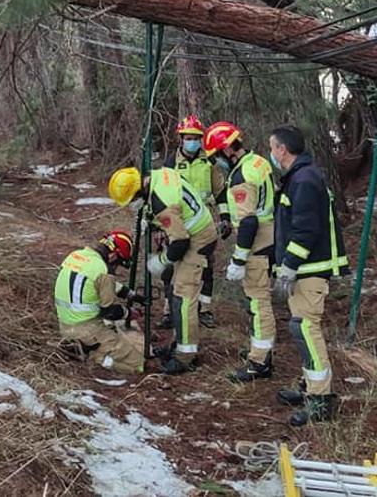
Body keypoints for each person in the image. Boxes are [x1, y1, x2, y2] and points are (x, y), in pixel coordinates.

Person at [268, 125, 348, 426]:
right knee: (302, 330)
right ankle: (309, 386)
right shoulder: (299, 177)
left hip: (309, 271)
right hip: (304, 271)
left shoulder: (303, 180)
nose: (271, 153)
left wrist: (288, 266)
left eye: (272, 147)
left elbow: (305, 229)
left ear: (282, 150)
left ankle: (319, 400)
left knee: (306, 329)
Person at [108, 166, 219, 374]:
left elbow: (180, 243)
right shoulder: (160, 175)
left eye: (133, 200)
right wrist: (153, 221)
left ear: (138, 191)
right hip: (194, 230)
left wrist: (160, 260)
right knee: (176, 290)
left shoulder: (162, 203)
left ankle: (186, 357)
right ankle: (178, 345)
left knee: (183, 297)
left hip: (198, 238)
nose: (133, 205)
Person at [202, 121, 277, 383]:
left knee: (258, 303)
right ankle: (261, 350)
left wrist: (239, 258)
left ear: (226, 150)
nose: (215, 163)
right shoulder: (258, 162)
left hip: (257, 244)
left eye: (215, 157)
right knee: (259, 302)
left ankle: (260, 361)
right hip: (270, 236)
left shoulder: (240, 177)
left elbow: (248, 222)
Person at [162, 114, 226, 328]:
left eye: (196, 138)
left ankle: (204, 309)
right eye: (188, 137)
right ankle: (168, 310)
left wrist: (224, 217)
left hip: (204, 224)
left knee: (205, 267)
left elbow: (220, 192)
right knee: (171, 266)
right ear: (181, 139)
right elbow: (162, 194)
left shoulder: (210, 161)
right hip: (178, 223)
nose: (193, 141)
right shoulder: (171, 163)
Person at [54, 230, 146, 374]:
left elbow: (95, 283)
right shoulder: (104, 271)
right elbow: (109, 312)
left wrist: (131, 295)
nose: (116, 267)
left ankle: (82, 346)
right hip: (87, 329)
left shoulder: (78, 256)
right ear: (114, 255)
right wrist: (128, 314)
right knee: (138, 364)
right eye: (119, 263)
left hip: (65, 324)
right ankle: (97, 359)